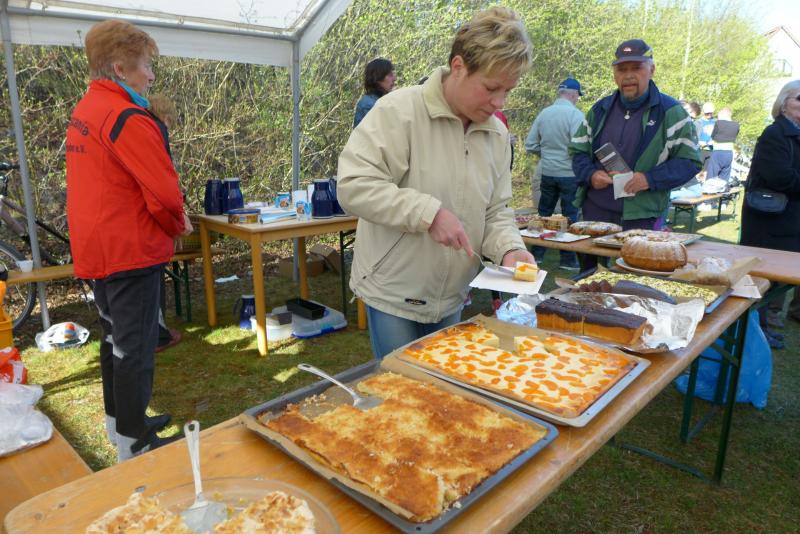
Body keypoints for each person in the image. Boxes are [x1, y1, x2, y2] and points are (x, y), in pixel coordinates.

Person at [337, 6, 535, 358]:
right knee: (402, 388)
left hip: (453, 294)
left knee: (443, 389)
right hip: (394, 290)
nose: (499, 102)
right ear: (458, 66)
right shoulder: (398, 112)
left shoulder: (496, 133)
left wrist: (510, 249)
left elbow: (496, 211)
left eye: (508, 90)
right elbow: (354, 184)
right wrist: (429, 214)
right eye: (491, 88)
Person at [66, 20, 192, 461]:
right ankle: (134, 444)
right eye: (146, 66)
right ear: (120, 68)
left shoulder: (88, 108)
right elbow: (164, 192)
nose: (151, 76)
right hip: (130, 248)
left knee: (114, 339)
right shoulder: (128, 118)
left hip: (99, 245)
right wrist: (177, 224)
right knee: (134, 346)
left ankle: (119, 422)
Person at [569, 39, 702, 247]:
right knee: (591, 267)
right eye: (622, 69)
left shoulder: (671, 112)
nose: (628, 75)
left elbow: (690, 161)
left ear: (652, 70)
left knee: (635, 268)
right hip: (595, 213)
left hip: (643, 217)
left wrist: (649, 179)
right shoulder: (599, 110)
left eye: (636, 68)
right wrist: (590, 175)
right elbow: (578, 152)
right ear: (615, 74)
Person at [739, 79, 800, 348]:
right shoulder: (775, 133)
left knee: (773, 280)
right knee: (761, 278)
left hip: (786, 219)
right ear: (784, 103)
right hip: (768, 221)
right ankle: (755, 330)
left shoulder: (794, 134)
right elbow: (779, 177)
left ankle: (761, 328)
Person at [525, 78, 585, 270]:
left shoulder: (545, 113)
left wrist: (548, 155)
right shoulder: (575, 115)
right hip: (569, 173)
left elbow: (530, 144)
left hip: (548, 172)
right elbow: (579, 146)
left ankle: (537, 255)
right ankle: (567, 260)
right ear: (573, 94)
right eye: (577, 96)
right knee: (569, 216)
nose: (577, 99)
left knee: (544, 214)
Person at [148, 93, 183, 353]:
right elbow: (164, 179)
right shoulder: (157, 129)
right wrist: (177, 222)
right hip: (153, 222)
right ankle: (159, 335)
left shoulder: (141, 125)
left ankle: (155, 331)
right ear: (167, 116)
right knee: (154, 278)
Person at [353, 58, 396, 128]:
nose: (394, 79)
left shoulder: (381, 100)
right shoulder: (368, 104)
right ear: (378, 78)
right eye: (390, 75)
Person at [706, 107, 740, 189]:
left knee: (711, 176)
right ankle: (723, 194)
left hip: (718, 152)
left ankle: (709, 194)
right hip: (729, 153)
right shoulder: (737, 125)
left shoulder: (718, 123)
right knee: (725, 176)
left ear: (722, 115)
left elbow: (713, 136)